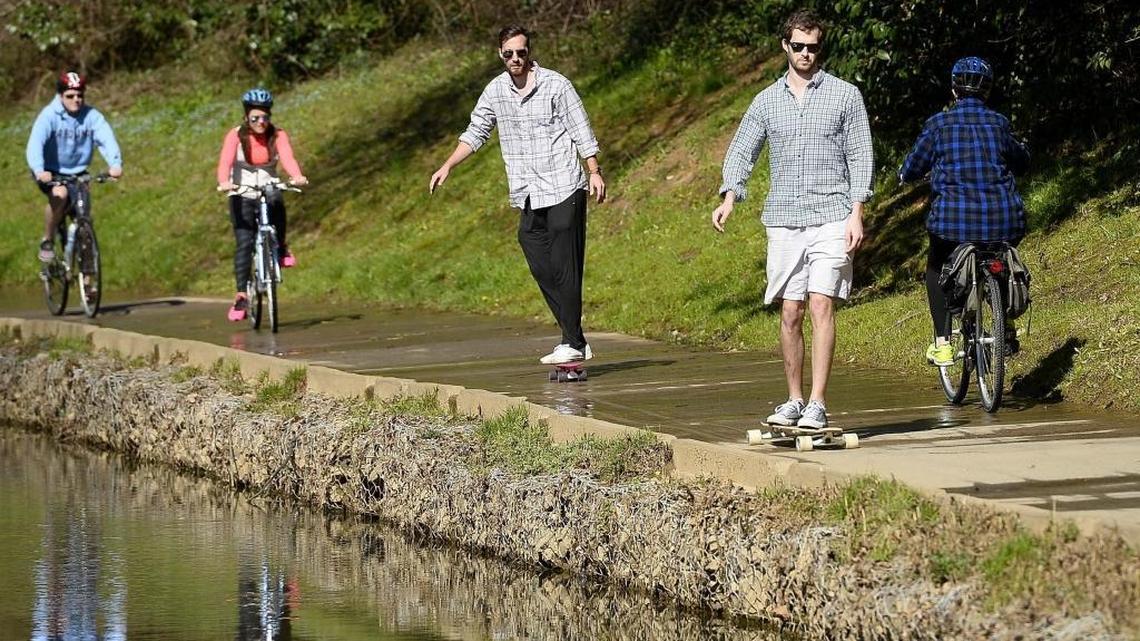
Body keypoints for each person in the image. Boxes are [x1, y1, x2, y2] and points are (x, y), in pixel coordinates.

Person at [711, 9, 873, 430]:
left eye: (813, 47)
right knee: (791, 311)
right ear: (785, 46)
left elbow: (860, 156)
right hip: (784, 219)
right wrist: (731, 195)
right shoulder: (767, 100)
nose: (805, 54)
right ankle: (794, 399)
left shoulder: (845, 95)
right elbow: (743, 148)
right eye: (798, 46)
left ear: (821, 48)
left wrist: (857, 212)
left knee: (821, 303)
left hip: (832, 215)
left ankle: (818, 402)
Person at [429, 25, 607, 365]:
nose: (516, 59)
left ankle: (571, 340)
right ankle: (576, 339)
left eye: (521, 53)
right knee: (537, 256)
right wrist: (447, 165)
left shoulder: (556, 84)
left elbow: (580, 127)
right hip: (527, 191)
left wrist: (594, 171)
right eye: (509, 53)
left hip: (564, 184)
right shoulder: (495, 91)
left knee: (565, 265)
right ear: (500, 54)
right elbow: (476, 131)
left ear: (530, 52)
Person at [899, 57, 1030, 366]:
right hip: (1004, 220)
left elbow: (913, 167)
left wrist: (906, 176)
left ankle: (943, 343)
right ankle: (1005, 324)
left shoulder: (938, 125)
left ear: (954, 88)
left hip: (952, 224)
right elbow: (1022, 160)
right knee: (998, 257)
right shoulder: (999, 124)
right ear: (988, 91)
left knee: (935, 267)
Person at [217, 88, 308, 322]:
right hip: (241, 190)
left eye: (265, 118)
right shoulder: (235, 136)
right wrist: (225, 182)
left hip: (268, 184)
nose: (260, 122)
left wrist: (296, 176)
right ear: (246, 117)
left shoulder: (277, 135)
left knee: (277, 200)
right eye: (255, 118)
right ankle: (241, 296)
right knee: (245, 242)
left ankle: (281, 247)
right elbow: (225, 161)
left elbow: (287, 157)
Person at [26, 71, 123, 263]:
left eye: (80, 95)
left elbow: (106, 139)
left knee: (84, 221)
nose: (76, 100)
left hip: (78, 172)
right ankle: (48, 239)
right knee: (60, 195)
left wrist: (115, 164)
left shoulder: (92, 116)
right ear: (61, 96)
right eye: (70, 96)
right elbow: (35, 144)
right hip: (50, 171)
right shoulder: (49, 116)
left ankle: (88, 282)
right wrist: (39, 170)